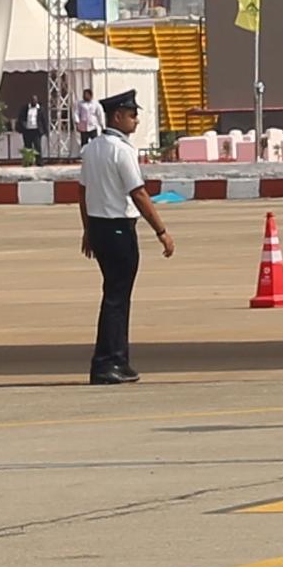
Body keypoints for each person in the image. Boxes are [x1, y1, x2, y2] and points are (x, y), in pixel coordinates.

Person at [74, 90, 168, 386]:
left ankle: (119, 359)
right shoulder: (121, 151)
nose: (136, 121)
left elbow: (82, 192)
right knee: (116, 298)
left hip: (100, 228)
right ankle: (106, 363)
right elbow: (138, 193)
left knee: (116, 296)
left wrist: (87, 229)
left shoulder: (91, 149)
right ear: (117, 116)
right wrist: (161, 231)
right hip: (118, 229)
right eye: (132, 115)